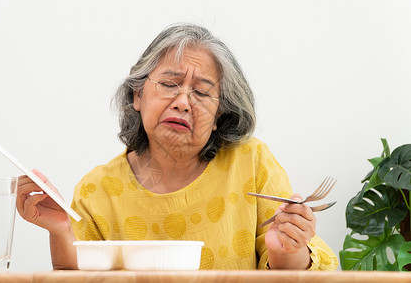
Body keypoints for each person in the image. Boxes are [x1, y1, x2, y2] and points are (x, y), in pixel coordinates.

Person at [17, 23, 338, 270]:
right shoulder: (96, 191)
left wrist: (289, 249)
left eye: (201, 92)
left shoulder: (252, 162)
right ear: (137, 95)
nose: (183, 102)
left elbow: (292, 272)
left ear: (218, 115)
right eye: (170, 84)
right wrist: (60, 233)